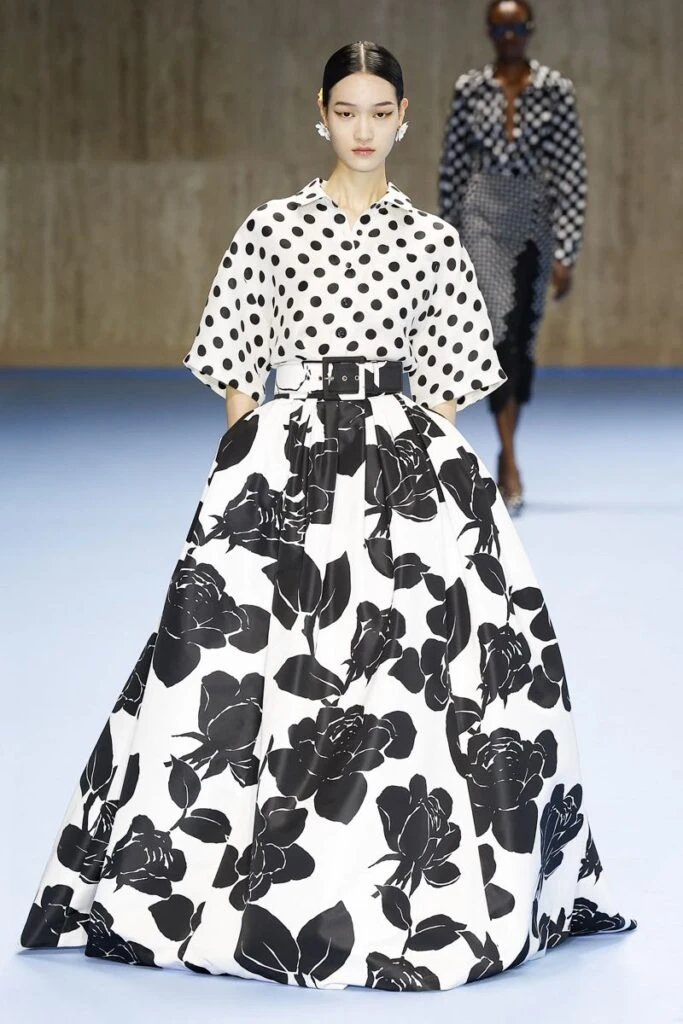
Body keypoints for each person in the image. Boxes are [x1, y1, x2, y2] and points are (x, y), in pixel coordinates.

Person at [19, 40, 633, 992]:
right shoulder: (270, 228)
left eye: (378, 112)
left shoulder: (430, 240)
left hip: (400, 475)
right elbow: (234, 360)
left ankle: (399, 880)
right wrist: (247, 463)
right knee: (240, 666)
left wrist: (422, 483)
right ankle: (238, 877)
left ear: (402, 119)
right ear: (320, 113)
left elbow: (450, 381)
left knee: (416, 673)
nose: (361, 129)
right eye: (346, 111)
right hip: (284, 467)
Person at [438, 0, 587, 513]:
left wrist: (566, 249)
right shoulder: (469, 88)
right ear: (488, 32)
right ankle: (510, 459)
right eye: (500, 28)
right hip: (481, 215)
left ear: (531, 29)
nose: (509, 36)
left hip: (533, 217)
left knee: (522, 334)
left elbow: (571, 171)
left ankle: (506, 447)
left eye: (518, 27)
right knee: (496, 333)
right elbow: (452, 167)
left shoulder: (555, 89)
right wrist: (446, 243)